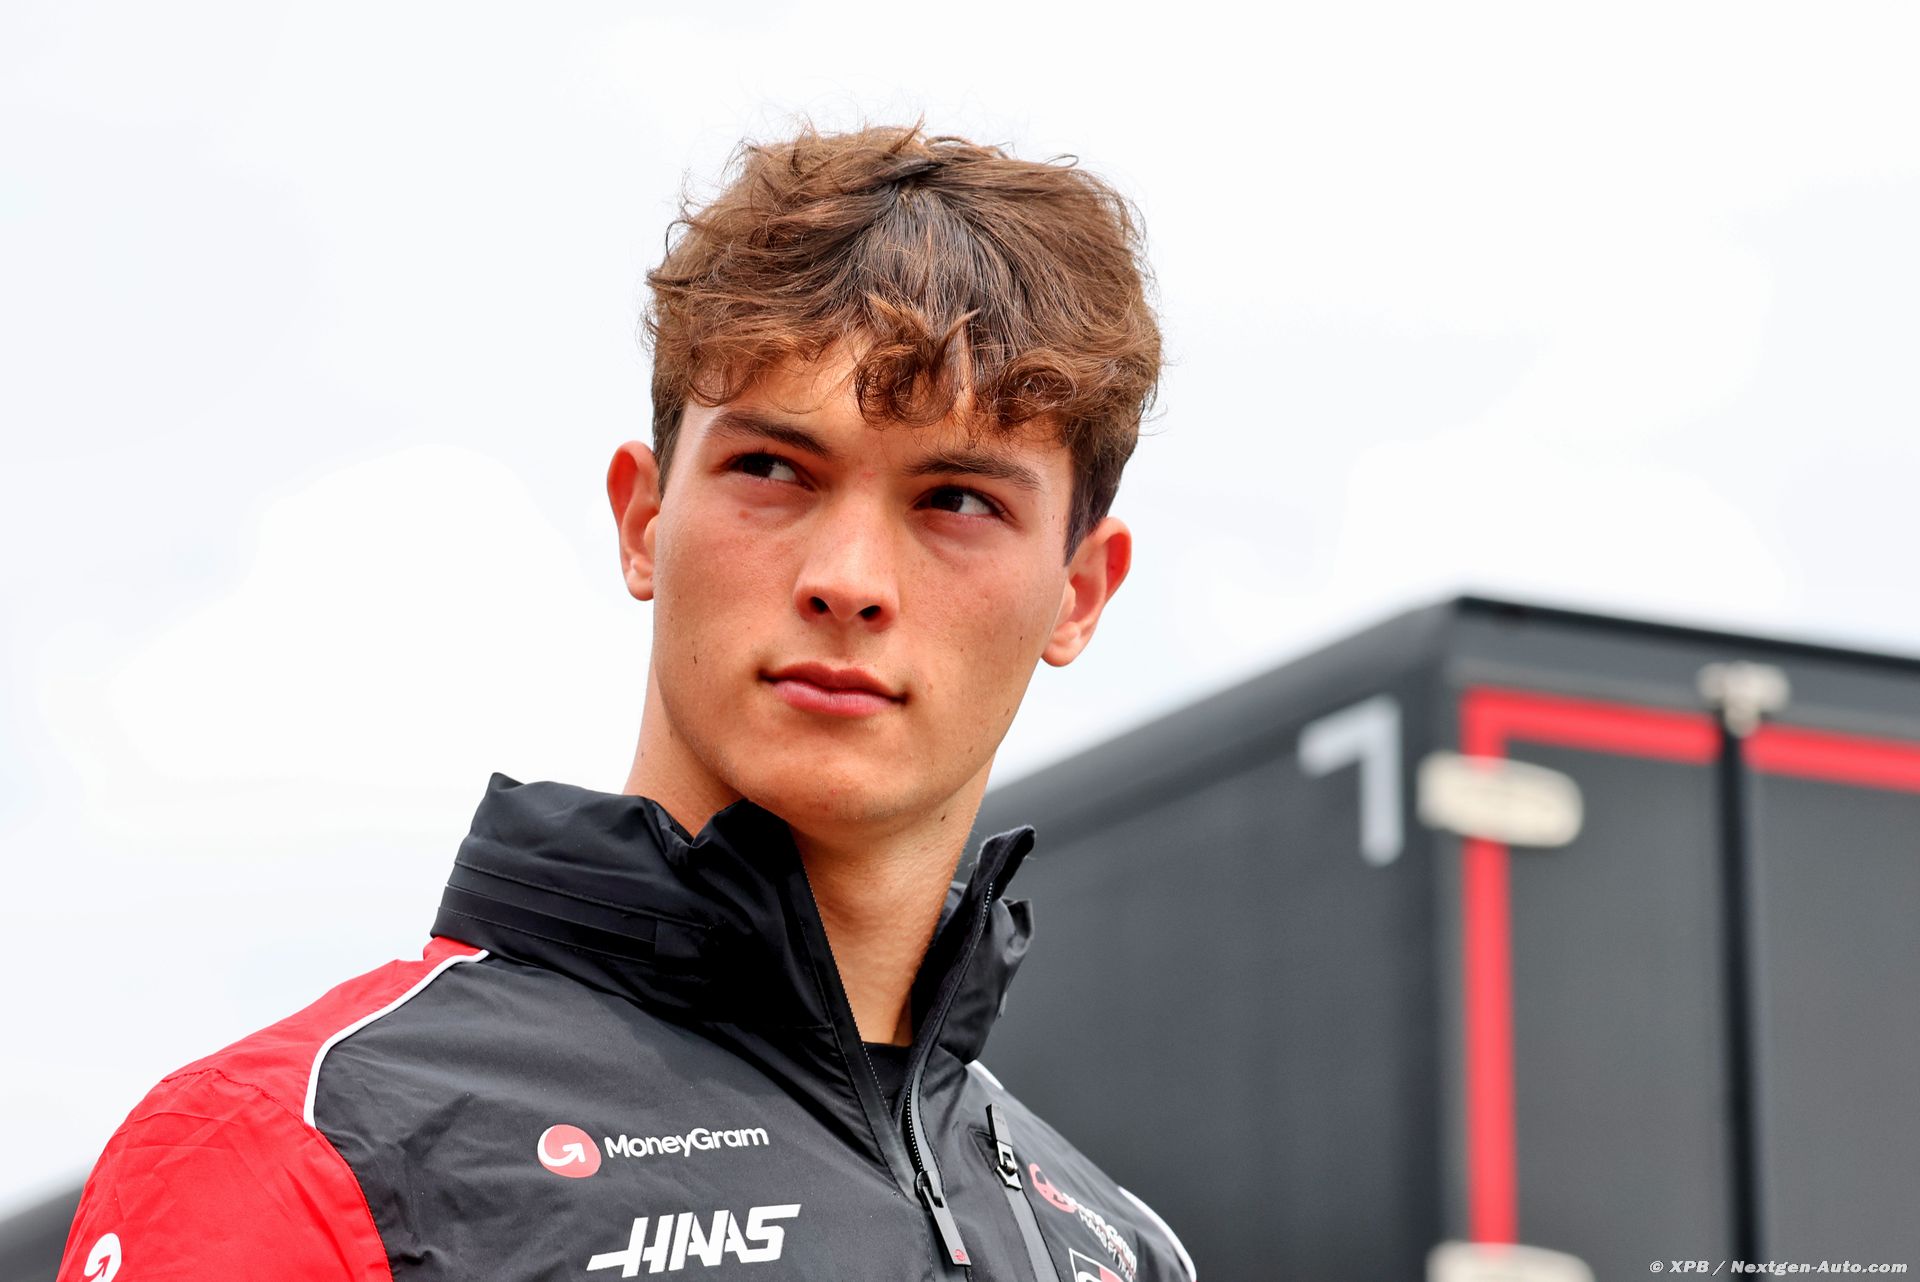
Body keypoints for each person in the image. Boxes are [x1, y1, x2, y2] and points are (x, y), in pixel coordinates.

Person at [58, 117, 1196, 1282]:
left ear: (1078, 594)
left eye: (956, 500)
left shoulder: (1123, 1250)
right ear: (644, 519)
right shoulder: (299, 1147)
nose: (849, 580)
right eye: (772, 469)